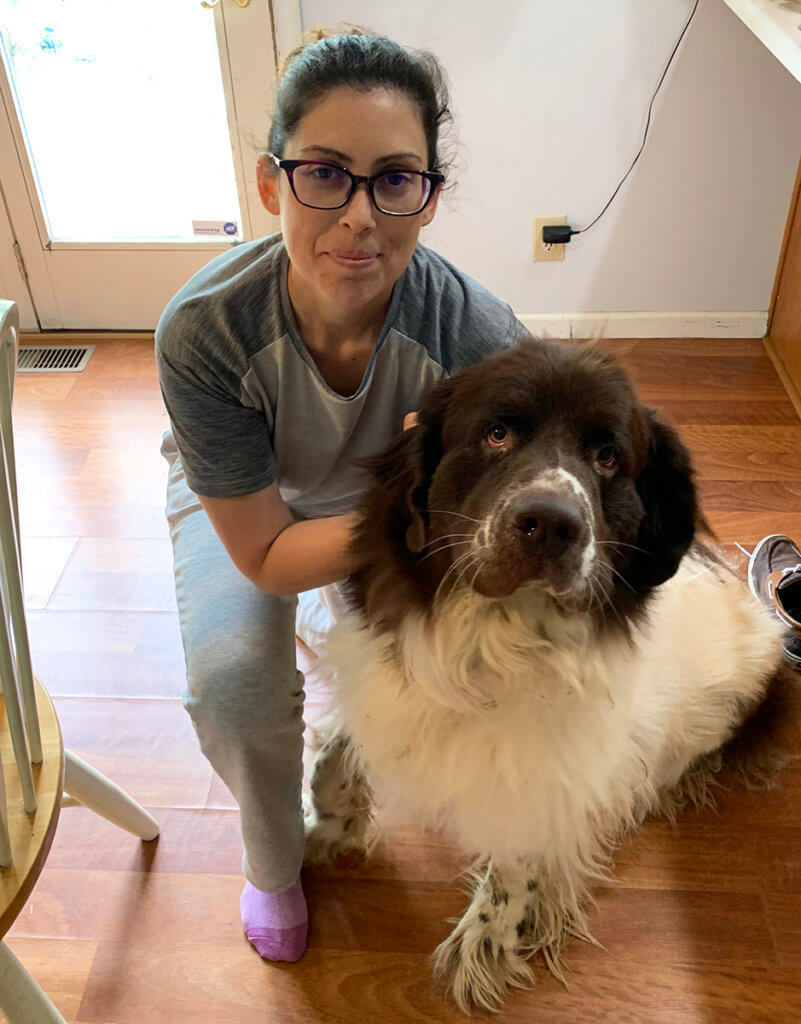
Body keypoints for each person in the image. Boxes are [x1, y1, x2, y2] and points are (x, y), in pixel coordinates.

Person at [155, 28, 531, 964]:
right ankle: (273, 862)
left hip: (396, 496)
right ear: (270, 184)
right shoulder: (204, 332)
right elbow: (267, 557)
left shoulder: (476, 335)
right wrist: (417, 508)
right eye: (325, 173)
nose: (360, 216)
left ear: (428, 198)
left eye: (395, 179)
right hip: (260, 501)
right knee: (236, 685)